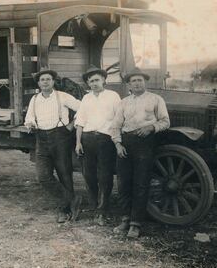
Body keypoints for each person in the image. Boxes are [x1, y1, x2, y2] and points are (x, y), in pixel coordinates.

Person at [111, 67, 170, 238]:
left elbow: (165, 122)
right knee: (123, 184)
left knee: (141, 183)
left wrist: (151, 127)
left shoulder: (156, 99)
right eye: (133, 81)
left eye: (140, 80)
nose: (137, 83)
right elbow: (115, 126)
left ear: (145, 82)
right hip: (126, 143)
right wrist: (118, 145)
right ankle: (125, 219)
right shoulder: (123, 102)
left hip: (146, 143)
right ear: (129, 84)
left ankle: (135, 224)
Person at [25, 68, 81, 223]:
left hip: (60, 137)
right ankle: (72, 199)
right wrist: (30, 123)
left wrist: (72, 124)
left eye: (48, 79)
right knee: (43, 176)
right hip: (41, 138)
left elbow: (83, 108)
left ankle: (65, 210)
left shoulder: (62, 96)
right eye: (42, 80)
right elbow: (29, 117)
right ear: (38, 83)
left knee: (64, 174)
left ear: (53, 81)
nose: (45, 82)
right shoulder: (34, 99)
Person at [75, 66, 121, 226]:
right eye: (91, 81)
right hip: (87, 140)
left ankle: (102, 211)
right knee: (88, 175)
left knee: (104, 176)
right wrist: (78, 142)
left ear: (103, 80)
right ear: (88, 83)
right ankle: (94, 206)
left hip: (105, 140)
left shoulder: (113, 96)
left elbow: (118, 119)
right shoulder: (86, 98)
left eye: (96, 80)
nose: (94, 83)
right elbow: (80, 122)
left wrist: (117, 140)